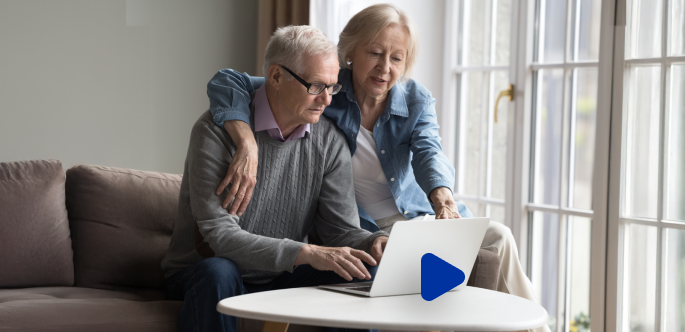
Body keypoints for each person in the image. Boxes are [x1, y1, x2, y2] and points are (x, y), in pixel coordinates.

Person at [205, 4, 547, 332]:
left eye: (397, 58)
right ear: (351, 52)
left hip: (418, 215)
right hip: (365, 225)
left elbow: (429, 151)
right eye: (375, 53)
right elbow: (228, 81)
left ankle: (537, 328)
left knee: (499, 237)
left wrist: (443, 199)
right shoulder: (326, 91)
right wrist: (246, 139)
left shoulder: (415, 100)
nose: (385, 68)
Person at [162, 25, 388, 332]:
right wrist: (304, 252)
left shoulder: (330, 142)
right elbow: (219, 236)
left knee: (364, 272)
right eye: (316, 86)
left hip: (280, 276)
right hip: (202, 271)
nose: (326, 100)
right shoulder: (215, 132)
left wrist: (376, 242)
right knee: (219, 272)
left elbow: (340, 230)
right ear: (277, 77)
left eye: (332, 87)